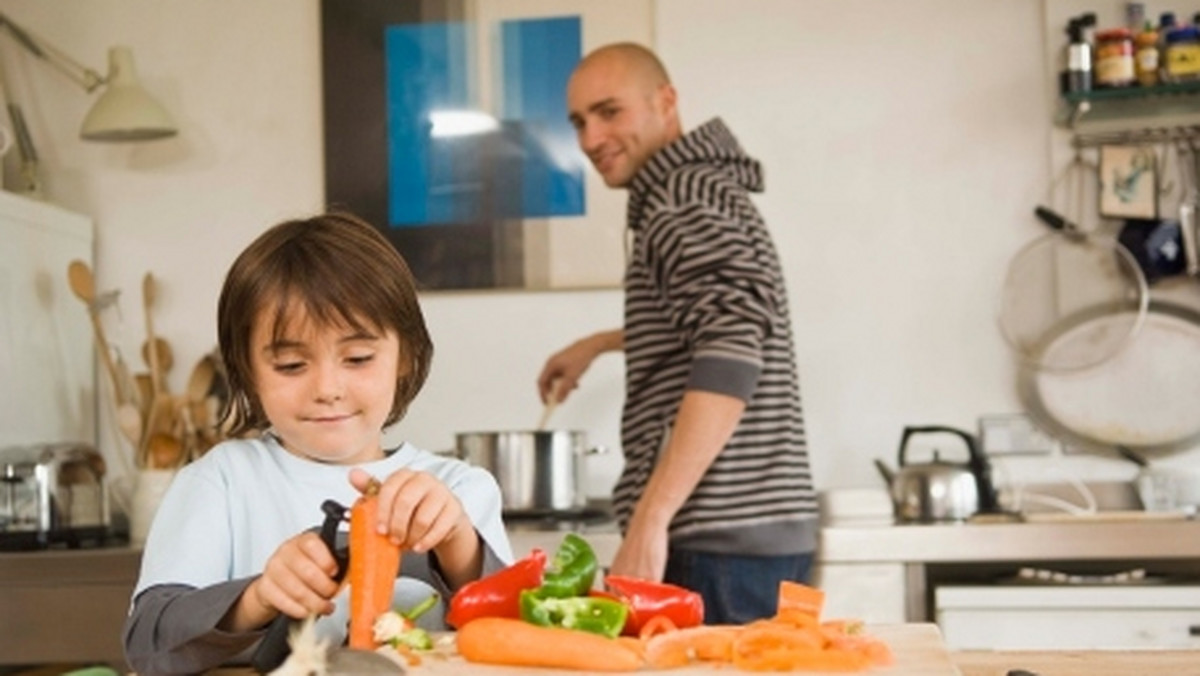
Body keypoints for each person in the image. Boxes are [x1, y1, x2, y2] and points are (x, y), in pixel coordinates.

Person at [123, 212, 512, 675]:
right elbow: (147, 645)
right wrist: (259, 597)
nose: (327, 387)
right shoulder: (220, 482)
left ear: (404, 355)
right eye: (290, 365)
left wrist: (456, 545)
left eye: (358, 358)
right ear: (247, 370)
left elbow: (514, 642)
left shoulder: (457, 490)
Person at [537, 43, 817, 624]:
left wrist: (650, 518)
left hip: (714, 539)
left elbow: (733, 345)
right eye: (579, 122)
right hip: (744, 533)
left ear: (666, 102)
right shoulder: (700, 190)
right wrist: (604, 341)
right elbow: (718, 320)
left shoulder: (680, 199)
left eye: (609, 112)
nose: (590, 140)